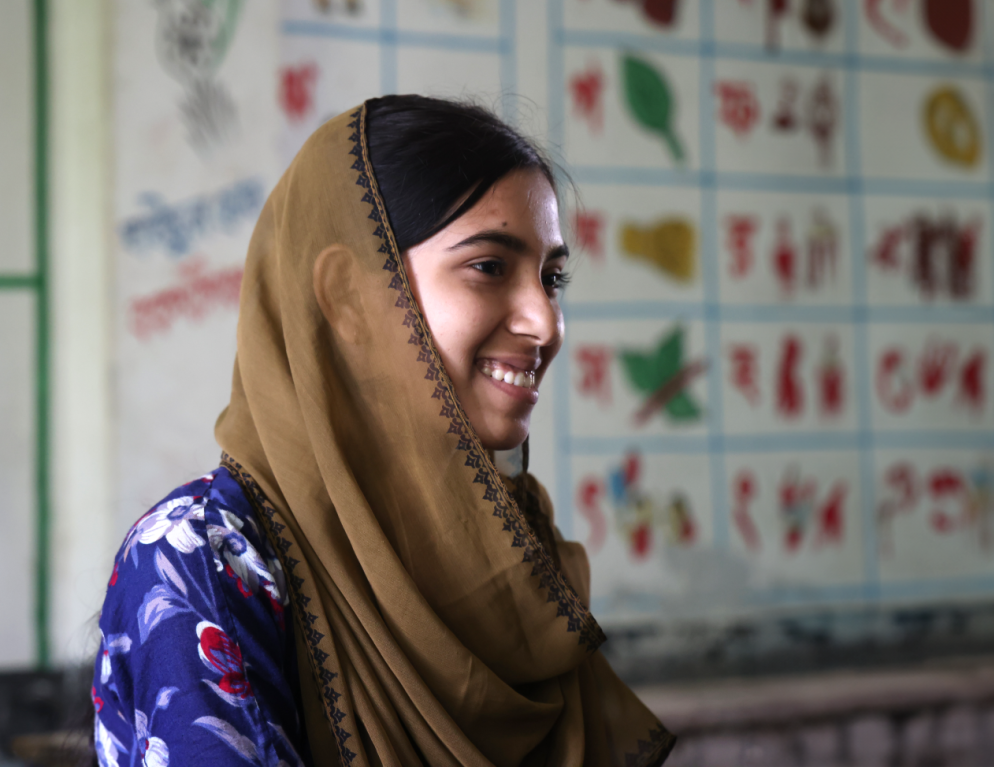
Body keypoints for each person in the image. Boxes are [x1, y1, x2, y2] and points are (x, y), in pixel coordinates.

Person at [90, 96, 675, 767]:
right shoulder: (201, 561)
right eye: (489, 267)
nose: (545, 323)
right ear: (347, 298)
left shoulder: (516, 553)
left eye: (552, 278)